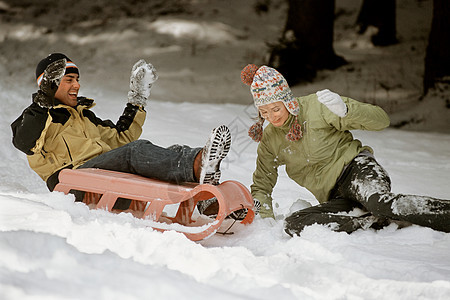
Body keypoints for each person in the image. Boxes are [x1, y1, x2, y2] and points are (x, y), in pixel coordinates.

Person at [240, 63, 450, 235]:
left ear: (287, 100)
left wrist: (347, 111)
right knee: (295, 223)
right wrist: (264, 219)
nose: (272, 116)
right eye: (264, 112)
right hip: (335, 197)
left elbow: (381, 120)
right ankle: (369, 222)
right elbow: (262, 185)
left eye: (276, 108)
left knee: (378, 203)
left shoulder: (318, 107)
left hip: (357, 170)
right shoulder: (270, 138)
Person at [11, 53, 231, 210]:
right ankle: (198, 163)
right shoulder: (37, 118)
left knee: (167, 152)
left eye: (77, 79)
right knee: (135, 152)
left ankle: (204, 197)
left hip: (104, 176)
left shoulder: (84, 115)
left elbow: (120, 137)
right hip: (76, 185)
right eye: (69, 80)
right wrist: (43, 103)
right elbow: (23, 141)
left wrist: (137, 97)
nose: (76, 85)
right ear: (50, 84)